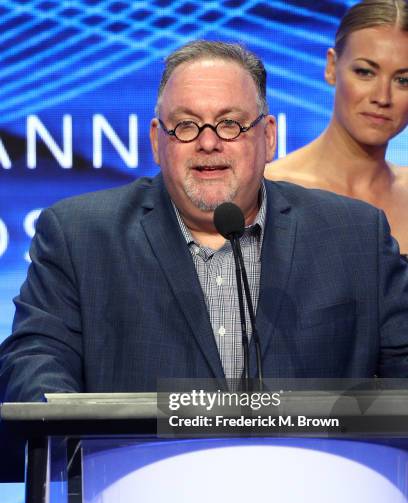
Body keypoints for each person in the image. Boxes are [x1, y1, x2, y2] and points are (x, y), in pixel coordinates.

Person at [1, 40, 408, 403]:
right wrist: (62, 422)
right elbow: (35, 360)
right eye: (186, 125)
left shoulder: (355, 236)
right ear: (157, 142)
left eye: (230, 123)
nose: (208, 142)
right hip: (133, 482)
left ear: (268, 137)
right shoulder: (80, 235)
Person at [265, 0, 408, 255]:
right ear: (332, 67)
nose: (382, 97)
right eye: (365, 72)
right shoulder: (270, 189)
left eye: (402, 80)